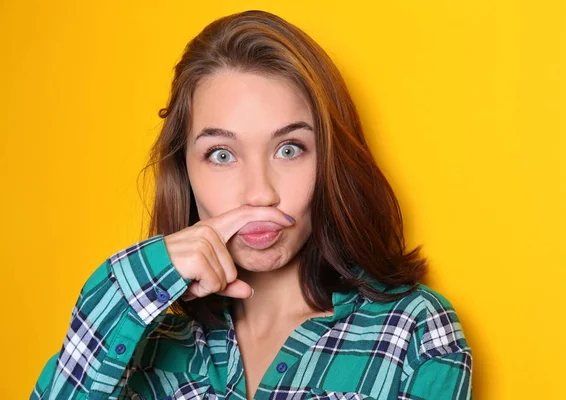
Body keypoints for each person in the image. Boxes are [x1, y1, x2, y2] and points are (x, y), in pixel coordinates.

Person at [30, 9, 472, 400]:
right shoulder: (141, 337)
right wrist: (128, 288)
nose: (260, 193)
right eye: (222, 155)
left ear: (330, 160)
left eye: (289, 149)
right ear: (185, 171)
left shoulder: (412, 332)